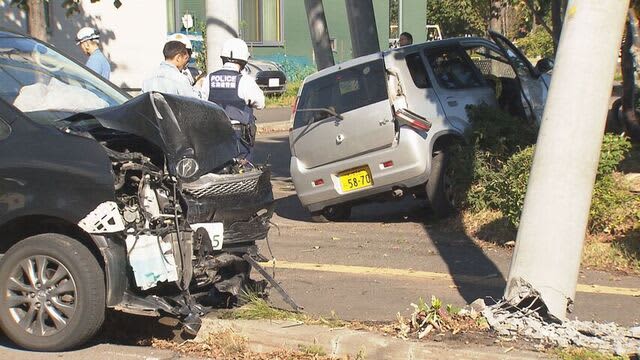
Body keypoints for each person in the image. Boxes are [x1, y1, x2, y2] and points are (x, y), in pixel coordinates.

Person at [201, 38, 265, 160]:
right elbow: (260, 104)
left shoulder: (209, 78)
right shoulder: (245, 81)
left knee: (216, 166)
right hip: (238, 135)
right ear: (244, 61)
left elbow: (203, 102)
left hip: (214, 132)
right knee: (242, 170)